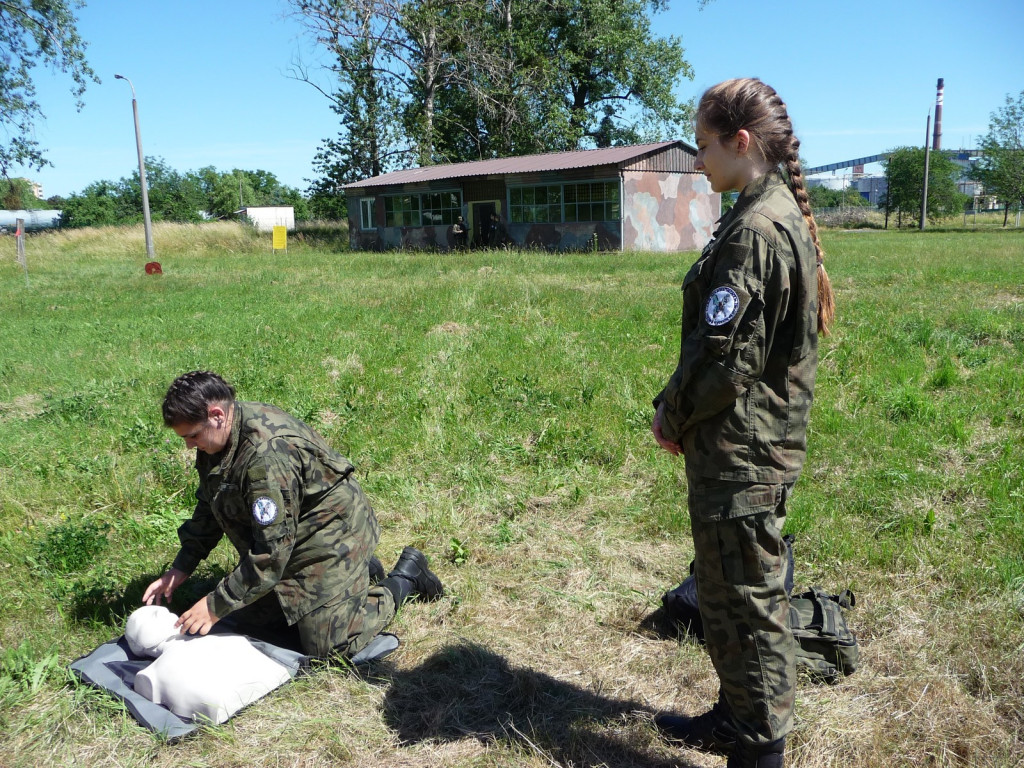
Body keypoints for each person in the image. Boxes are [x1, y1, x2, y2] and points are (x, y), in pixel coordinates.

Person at [650, 78, 835, 768]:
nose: (698, 161)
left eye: (703, 147)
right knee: (727, 597)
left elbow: (726, 364)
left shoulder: (757, 228)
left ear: (742, 142)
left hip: (743, 454)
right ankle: (736, 716)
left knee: (750, 611)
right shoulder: (766, 211)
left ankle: (758, 752)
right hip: (744, 446)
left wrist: (672, 413)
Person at [142, 370, 443, 660]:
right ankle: (358, 572)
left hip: (331, 532)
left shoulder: (266, 456)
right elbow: (210, 504)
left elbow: (271, 555)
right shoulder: (218, 438)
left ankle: (405, 578)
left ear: (217, 415)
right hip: (290, 533)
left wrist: (214, 605)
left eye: (192, 436)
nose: (189, 445)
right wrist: (181, 567)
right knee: (250, 621)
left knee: (328, 645)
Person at [125, 604, 292, 724]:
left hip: (230, 700)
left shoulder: (150, 675)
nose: (163, 614)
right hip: (264, 681)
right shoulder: (230, 640)